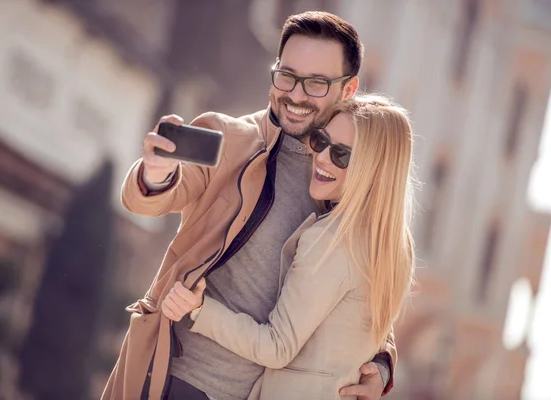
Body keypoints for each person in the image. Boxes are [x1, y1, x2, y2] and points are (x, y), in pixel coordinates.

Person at [102, 11, 396, 400]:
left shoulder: (350, 178)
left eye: (317, 84)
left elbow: (360, 286)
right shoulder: (232, 139)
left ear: (348, 89)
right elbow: (150, 197)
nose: (295, 95)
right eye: (287, 75)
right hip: (180, 380)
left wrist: (381, 362)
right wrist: (156, 173)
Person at [162, 95, 415, 400]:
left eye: (342, 156)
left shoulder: (331, 240)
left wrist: (199, 309)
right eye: (321, 141)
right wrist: (383, 367)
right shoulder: (393, 244)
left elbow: (277, 347)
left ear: (373, 170)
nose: (321, 157)